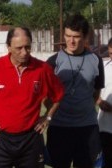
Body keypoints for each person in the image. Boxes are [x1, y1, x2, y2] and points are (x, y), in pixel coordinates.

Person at [0, 26, 64, 168]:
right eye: (19, 48)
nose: (24, 52)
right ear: (8, 47)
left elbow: (58, 95)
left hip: (31, 140)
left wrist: (47, 117)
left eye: (28, 47)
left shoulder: (42, 69)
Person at [45, 13, 104, 168]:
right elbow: (45, 97)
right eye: (67, 35)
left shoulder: (96, 60)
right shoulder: (53, 62)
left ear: (85, 37)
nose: (71, 41)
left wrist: (82, 110)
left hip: (87, 127)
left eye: (76, 36)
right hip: (59, 128)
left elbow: (96, 92)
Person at [97, 37, 112, 168]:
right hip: (104, 126)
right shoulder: (104, 68)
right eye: (111, 53)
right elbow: (94, 91)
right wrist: (99, 101)